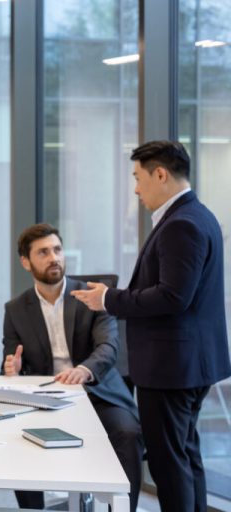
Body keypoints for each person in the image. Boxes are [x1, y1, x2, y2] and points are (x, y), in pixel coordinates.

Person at [72, 140, 231, 512]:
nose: (136, 189)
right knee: (185, 457)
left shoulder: (182, 224)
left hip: (171, 367)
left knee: (168, 464)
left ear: (160, 174)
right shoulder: (197, 215)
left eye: (138, 178)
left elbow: (174, 297)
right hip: (187, 363)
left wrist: (109, 299)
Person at [3, 223, 144, 512]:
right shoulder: (15, 308)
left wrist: (85, 369)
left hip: (97, 392)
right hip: (46, 398)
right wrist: (12, 368)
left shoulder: (91, 296)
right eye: (43, 252)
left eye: (57, 249)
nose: (54, 257)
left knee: (127, 433)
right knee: (13, 437)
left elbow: (108, 347)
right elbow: (10, 359)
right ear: (25, 262)